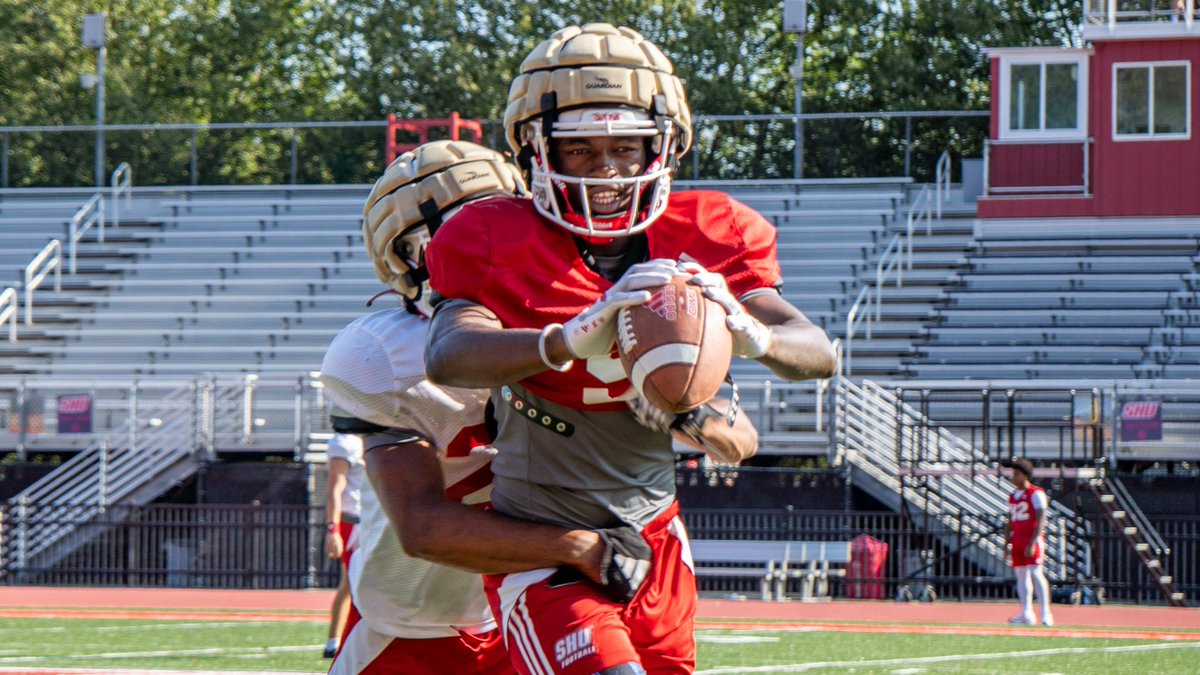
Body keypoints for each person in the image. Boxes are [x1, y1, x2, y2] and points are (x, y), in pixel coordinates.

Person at [424, 23, 836, 674]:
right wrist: (561, 339)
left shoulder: (708, 234)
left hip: (658, 535)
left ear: (664, 150)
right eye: (580, 150)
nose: (607, 170)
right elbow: (448, 352)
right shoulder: (492, 236)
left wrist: (751, 331)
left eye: (627, 147)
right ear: (537, 150)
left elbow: (817, 351)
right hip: (547, 543)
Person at [322, 139, 747, 674]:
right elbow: (422, 527)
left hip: (554, 596)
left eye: (491, 229)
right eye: (446, 237)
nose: (476, 249)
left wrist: (682, 406)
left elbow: (735, 441)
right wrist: (583, 548)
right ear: (405, 260)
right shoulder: (384, 353)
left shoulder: (592, 310)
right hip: (421, 623)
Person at [322, 432, 365, 658]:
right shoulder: (345, 443)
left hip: (373, 520)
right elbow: (335, 489)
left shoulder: (374, 436)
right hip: (354, 522)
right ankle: (336, 642)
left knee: (357, 585)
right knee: (352, 583)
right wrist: (333, 529)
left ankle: (339, 641)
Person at [1005, 457, 1054, 627]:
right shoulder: (1013, 496)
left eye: (1017, 474)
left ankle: (1046, 613)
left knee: (1035, 573)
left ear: (1026, 475)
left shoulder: (1036, 493)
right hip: (1017, 539)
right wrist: (1007, 543)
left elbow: (1041, 520)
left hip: (1030, 538)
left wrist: (1032, 542)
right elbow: (1010, 521)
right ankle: (1026, 612)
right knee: (1021, 575)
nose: (1013, 477)